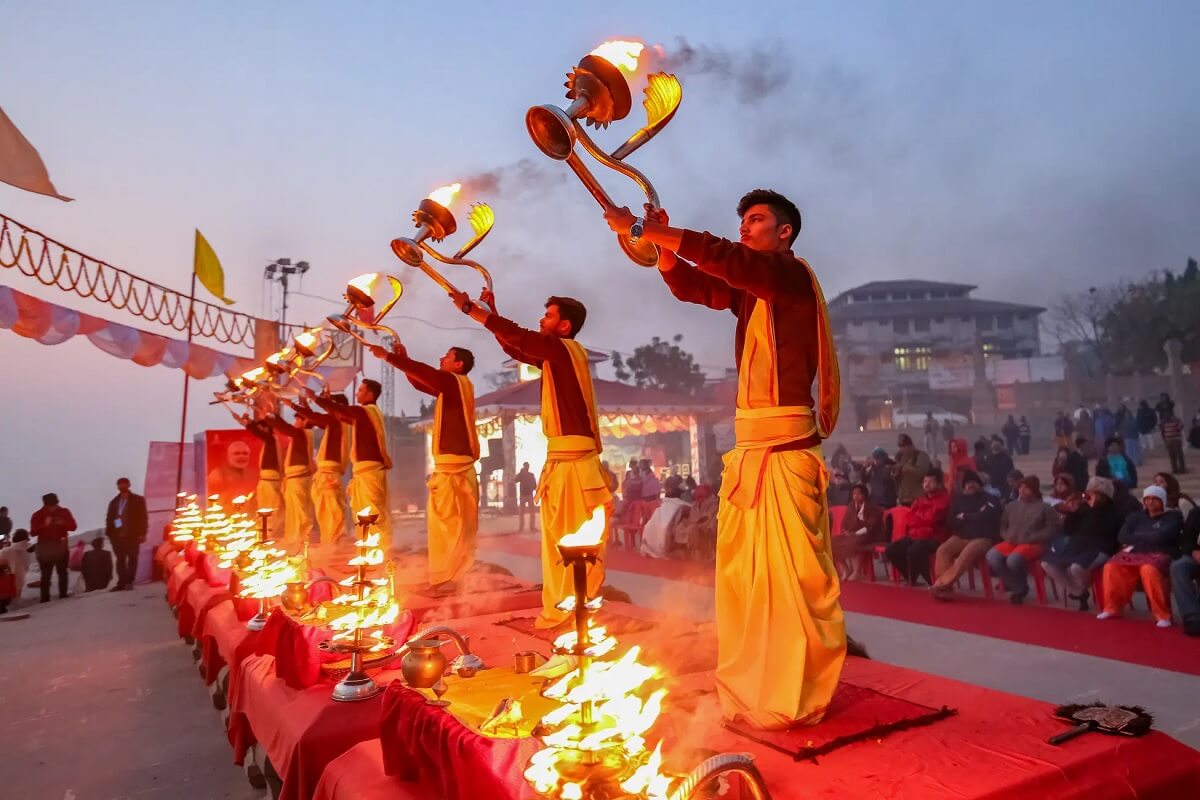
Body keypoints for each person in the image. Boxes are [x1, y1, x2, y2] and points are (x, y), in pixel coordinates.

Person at [602, 189, 845, 728]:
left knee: (792, 582)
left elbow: (724, 259)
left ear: (784, 233)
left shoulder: (789, 276)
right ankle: (758, 679)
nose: (744, 227)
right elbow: (698, 284)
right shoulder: (753, 292)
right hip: (751, 449)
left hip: (783, 449)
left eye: (755, 220)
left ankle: (797, 691)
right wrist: (660, 248)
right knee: (745, 577)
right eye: (742, 221)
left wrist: (649, 233)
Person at [455, 289, 613, 629]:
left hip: (573, 465)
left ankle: (576, 612)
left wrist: (472, 310)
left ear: (565, 327)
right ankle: (565, 607)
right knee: (558, 543)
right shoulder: (556, 356)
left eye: (550, 316)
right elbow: (514, 344)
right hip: (562, 461)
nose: (542, 320)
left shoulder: (562, 350)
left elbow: (519, 337)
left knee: (574, 543)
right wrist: (491, 311)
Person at [371, 341, 479, 588]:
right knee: (444, 527)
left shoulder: (455, 382)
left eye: (447, 356)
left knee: (454, 527)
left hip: (455, 469)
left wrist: (389, 357)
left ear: (458, 365)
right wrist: (404, 359)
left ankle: (456, 576)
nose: (441, 358)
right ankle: (446, 575)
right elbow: (420, 380)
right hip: (447, 469)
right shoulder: (451, 387)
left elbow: (425, 374)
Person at [309, 379, 392, 550]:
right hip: (363, 473)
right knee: (363, 513)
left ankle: (379, 552)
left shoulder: (365, 411)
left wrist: (317, 399)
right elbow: (340, 413)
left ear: (370, 394)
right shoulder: (364, 415)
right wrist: (326, 401)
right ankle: (369, 552)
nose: (357, 393)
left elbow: (341, 411)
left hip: (369, 472)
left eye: (360, 390)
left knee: (371, 513)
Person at [1097, 485, 1183, 627]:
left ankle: (1162, 615)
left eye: (1154, 499)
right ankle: (1112, 608)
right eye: (1147, 499)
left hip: (1161, 553)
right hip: (1136, 552)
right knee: (1111, 566)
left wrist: (1137, 536)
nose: (1150, 502)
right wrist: (1149, 536)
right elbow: (1123, 536)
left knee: (1148, 570)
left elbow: (1163, 536)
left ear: (1162, 501)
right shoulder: (1136, 516)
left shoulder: (1173, 516)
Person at [1040, 477, 1123, 611]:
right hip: (1077, 546)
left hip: (1100, 548)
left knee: (1076, 568)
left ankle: (1084, 588)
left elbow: (1111, 534)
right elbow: (1067, 530)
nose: (1088, 496)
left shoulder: (1114, 511)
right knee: (1047, 564)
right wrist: (1072, 513)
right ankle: (1078, 591)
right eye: (1088, 492)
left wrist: (1094, 511)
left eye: (1092, 493)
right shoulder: (1083, 508)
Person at [286, 393, 351, 545]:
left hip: (329, 476)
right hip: (327, 475)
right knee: (327, 514)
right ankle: (330, 544)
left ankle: (333, 545)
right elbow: (315, 419)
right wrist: (304, 406)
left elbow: (315, 418)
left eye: (331, 405)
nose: (328, 409)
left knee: (332, 514)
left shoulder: (337, 421)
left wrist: (294, 405)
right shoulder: (338, 422)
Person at [930, 471, 1002, 600]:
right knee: (943, 550)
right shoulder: (959, 500)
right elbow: (951, 520)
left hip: (982, 537)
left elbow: (986, 517)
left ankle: (941, 584)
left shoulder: (990, 499)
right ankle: (945, 589)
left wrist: (964, 516)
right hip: (960, 536)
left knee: (966, 554)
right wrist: (973, 516)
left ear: (979, 484)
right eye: (967, 484)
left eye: (973, 483)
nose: (970, 486)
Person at [986, 475, 1059, 604]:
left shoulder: (1045, 508)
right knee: (992, 556)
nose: (1022, 490)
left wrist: (1035, 537)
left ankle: (1018, 589)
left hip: (1034, 543)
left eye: (1026, 488)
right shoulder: (1011, 506)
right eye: (1021, 487)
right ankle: (1017, 585)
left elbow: (1052, 529)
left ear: (1034, 490)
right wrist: (1006, 535)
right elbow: (1003, 524)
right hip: (1012, 540)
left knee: (1013, 560)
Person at [884, 472, 950, 586]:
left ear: (939, 484)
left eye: (930, 481)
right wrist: (921, 519)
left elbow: (932, 519)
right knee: (891, 550)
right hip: (916, 534)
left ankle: (928, 579)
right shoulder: (920, 500)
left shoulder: (944, 500)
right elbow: (909, 518)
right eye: (925, 481)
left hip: (935, 536)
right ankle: (911, 577)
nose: (927, 484)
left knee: (914, 550)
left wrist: (919, 518)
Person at [264, 412, 319, 545]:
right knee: (294, 512)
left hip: (298, 480)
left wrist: (268, 417)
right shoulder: (300, 435)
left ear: (304, 421)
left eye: (297, 421)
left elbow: (285, 428)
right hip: (294, 480)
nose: (295, 424)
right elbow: (286, 427)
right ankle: (295, 538)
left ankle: (299, 540)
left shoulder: (302, 434)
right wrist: (274, 416)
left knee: (299, 512)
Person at [234, 408, 286, 539]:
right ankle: (264, 535)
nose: (261, 433)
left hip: (271, 482)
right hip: (265, 481)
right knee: (264, 509)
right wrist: (248, 421)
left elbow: (261, 433)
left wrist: (247, 423)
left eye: (262, 429)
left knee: (272, 510)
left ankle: (269, 535)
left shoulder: (271, 440)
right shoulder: (269, 442)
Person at [832, 483, 885, 580]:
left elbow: (871, 526)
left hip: (869, 535)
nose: (856, 496)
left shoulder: (871, 507)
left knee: (853, 542)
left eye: (859, 493)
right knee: (833, 542)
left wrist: (855, 534)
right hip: (852, 534)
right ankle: (846, 570)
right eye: (854, 493)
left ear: (864, 495)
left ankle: (856, 572)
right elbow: (845, 522)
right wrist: (845, 531)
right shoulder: (852, 506)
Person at [31, 493, 77, 603]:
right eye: (50, 506)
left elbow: (73, 527)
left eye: (55, 505)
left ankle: (63, 595)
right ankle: (45, 599)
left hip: (61, 547)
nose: (53, 508)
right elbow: (32, 532)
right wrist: (44, 525)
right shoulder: (38, 515)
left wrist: (63, 523)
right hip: (45, 549)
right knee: (46, 575)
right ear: (45, 505)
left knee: (62, 572)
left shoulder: (64, 512)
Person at [104, 477, 148, 590]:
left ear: (129, 485)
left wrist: (142, 533)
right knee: (120, 559)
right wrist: (109, 533)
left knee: (133, 557)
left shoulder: (138, 500)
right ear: (117, 486)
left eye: (124, 484)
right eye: (119, 484)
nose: (122, 486)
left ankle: (129, 581)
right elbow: (110, 518)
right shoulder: (114, 502)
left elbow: (143, 517)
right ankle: (121, 582)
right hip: (117, 535)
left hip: (132, 534)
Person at [639, 481, 691, 559]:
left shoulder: (679, 504)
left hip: (666, 524)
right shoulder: (672, 503)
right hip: (661, 522)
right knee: (651, 526)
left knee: (659, 527)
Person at [1170, 507, 1200, 636]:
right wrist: (1194, 551)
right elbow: (1186, 541)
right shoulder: (1196, 513)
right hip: (1195, 556)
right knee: (1178, 567)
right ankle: (1192, 618)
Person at [894, 434, 932, 506]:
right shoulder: (900, 457)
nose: (902, 449)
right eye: (901, 447)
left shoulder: (920, 455)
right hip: (903, 496)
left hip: (917, 496)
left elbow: (921, 472)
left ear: (911, 446)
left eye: (905, 447)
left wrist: (904, 468)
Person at [0, 529, 31, 613]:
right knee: (16, 596)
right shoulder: (27, 550)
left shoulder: (6, 550)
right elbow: (26, 566)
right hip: (21, 577)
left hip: (7, 578)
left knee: (6, 597)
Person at [515, 462, 538, 532]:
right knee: (529, 512)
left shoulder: (528, 475)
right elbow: (516, 480)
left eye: (527, 466)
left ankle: (524, 527)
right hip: (527, 495)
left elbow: (515, 480)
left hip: (525, 495)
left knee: (524, 512)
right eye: (526, 466)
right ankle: (530, 527)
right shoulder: (528, 475)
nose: (527, 467)